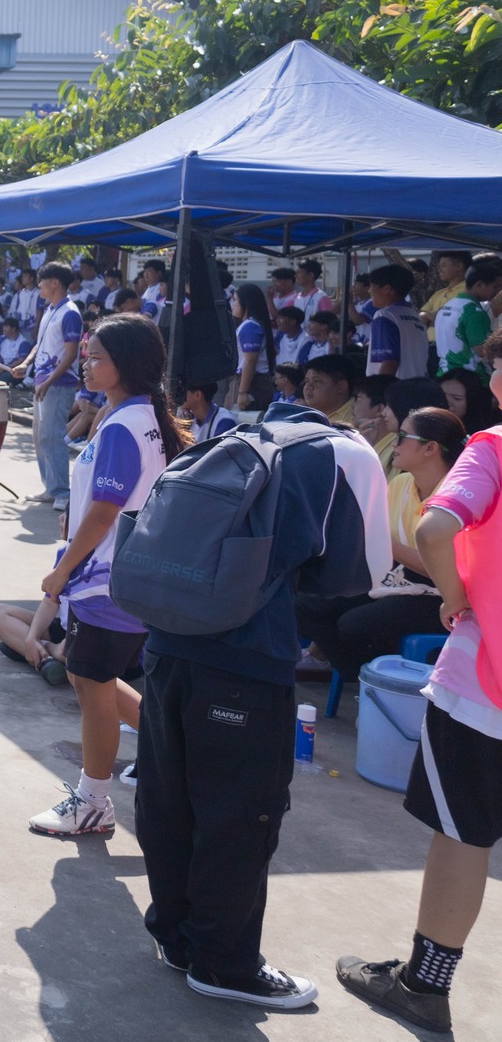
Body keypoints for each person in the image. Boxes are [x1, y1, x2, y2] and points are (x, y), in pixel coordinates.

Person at [134, 396, 389, 1009]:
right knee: (241, 815)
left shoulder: (231, 436)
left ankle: (177, 936)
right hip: (246, 662)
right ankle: (224, 965)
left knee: (170, 801)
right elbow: (361, 575)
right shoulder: (345, 453)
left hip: (166, 646)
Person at [337, 336, 502, 1032]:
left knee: (463, 834)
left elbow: (436, 525)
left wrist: (456, 596)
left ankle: (424, 985)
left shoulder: (492, 446)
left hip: (484, 685)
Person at [28, 315, 185, 836]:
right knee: (88, 674)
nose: (87, 364)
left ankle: (93, 801)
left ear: (127, 365)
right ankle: (185, 764)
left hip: (107, 578)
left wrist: (63, 570)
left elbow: (104, 511)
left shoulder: (122, 423)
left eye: (97, 357)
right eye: (88, 355)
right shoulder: (138, 416)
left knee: (91, 684)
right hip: (122, 573)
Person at [297, 407, 465, 687]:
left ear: (430, 448)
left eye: (402, 436)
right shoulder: (401, 483)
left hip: (442, 597)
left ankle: (377, 683)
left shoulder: (457, 495)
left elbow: (445, 570)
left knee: (355, 624)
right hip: (394, 579)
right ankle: (366, 678)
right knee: (307, 601)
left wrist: (382, 542)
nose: (394, 443)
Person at [21, 263, 84, 511]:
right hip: (44, 383)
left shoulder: (70, 313)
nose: (39, 285)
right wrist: (25, 364)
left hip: (57, 384)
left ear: (54, 282)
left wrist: (47, 381)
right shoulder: (50, 310)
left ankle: (61, 492)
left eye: (42, 281)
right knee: (40, 436)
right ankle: (51, 487)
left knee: (52, 435)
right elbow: (40, 345)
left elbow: (71, 354)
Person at [435, 256, 500, 376]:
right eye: (496, 286)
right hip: (471, 377)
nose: (498, 291)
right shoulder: (474, 311)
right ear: (479, 284)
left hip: (445, 374)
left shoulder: (448, 305)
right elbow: (483, 350)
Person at [361, 264, 429, 378]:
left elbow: (390, 363)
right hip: (418, 386)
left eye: (372, 286)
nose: (369, 291)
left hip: (394, 391)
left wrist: (378, 393)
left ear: (387, 289)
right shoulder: (414, 315)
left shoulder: (384, 315)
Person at [228, 282, 276, 412]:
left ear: (246, 302)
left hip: (253, 383)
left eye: (235, 300)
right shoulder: (251, 324)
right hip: (251, 381)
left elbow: (250, 360)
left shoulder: (250, 326)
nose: (233, 305)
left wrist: (242, 392)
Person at [301, 353, 357, 425]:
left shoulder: (357, 416)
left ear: (341, 386)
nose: (308, 387)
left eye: (316, 380)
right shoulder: (306, 416)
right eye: (307, 381)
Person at [441, 367, 501, 433]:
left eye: (457, 398)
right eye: (442, 395)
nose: (446, 402)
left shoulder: (489, 433)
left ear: (471, 402)